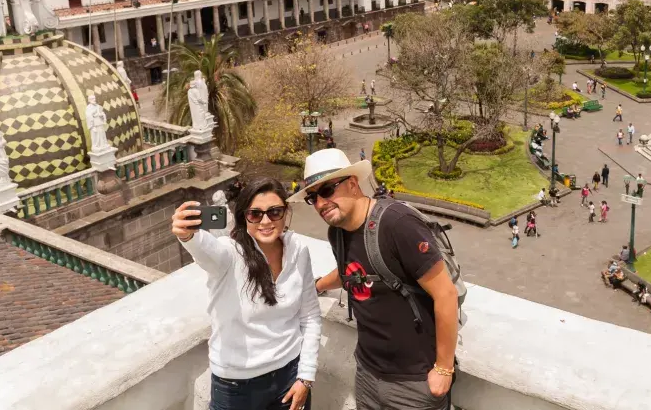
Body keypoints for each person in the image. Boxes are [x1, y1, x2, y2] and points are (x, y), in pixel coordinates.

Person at [303, 149, 459, 410]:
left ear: (352, 184)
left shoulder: (397, 224)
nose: (320, 203)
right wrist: (315, 286)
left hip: (414, 380)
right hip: (367, 373)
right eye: (313, 197)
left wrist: (443, 369)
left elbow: (446, 293)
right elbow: (352, 272)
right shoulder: (337, 234)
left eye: (327, 190)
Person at [171, 177, 321, 410]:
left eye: (274, 212)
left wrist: (306, 377)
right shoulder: (230, 255)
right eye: (255, 214)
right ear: (243, 218)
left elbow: (310, 316)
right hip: (236, 387)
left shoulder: (298, 250)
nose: (265, 221)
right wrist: (188, 235)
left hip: (290, 375)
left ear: (285, 212)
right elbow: (207, 250)